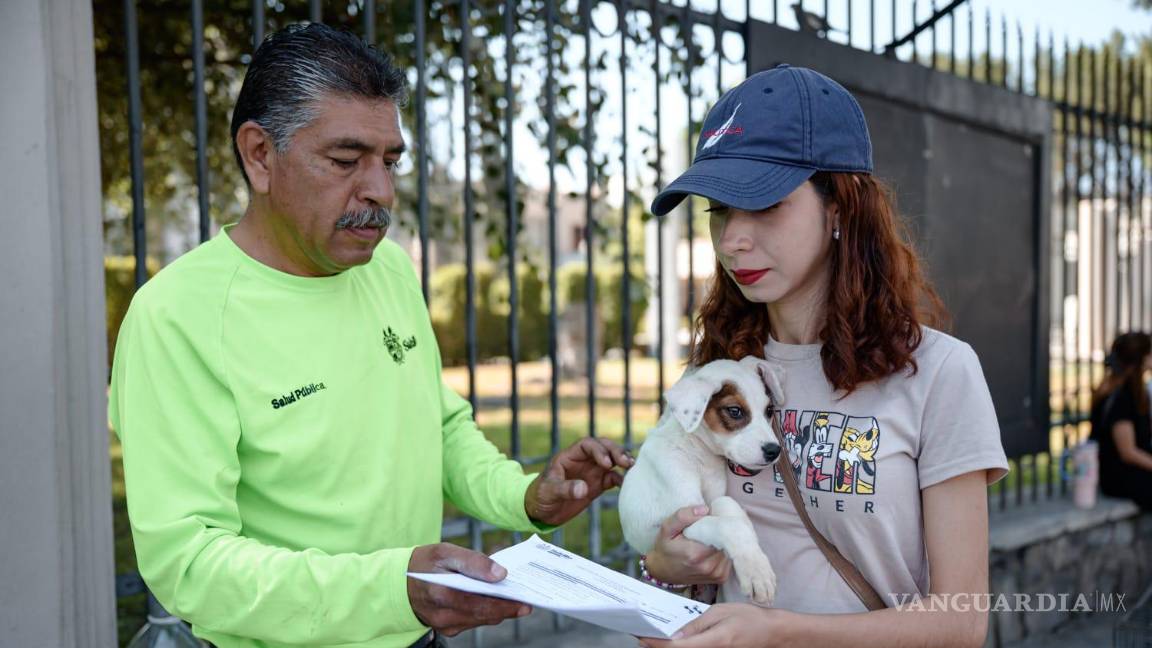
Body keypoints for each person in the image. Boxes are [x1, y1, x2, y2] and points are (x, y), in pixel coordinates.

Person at [109, 24, 632, 648]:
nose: (380, 192)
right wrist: (393, 589)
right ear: (259, 155)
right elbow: (191, 565)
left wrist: (524, 497)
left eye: (389, 161)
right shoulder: (176, 316)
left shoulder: (385, 267)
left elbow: (436, 428)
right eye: (345, 160)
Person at [635, 65, 1009, 647]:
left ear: (840, 208)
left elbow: (961, 622)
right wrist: (664, 571)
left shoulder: (938, 372)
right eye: (718, 210)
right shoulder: (716, 381)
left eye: (764, 204)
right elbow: (677, 595)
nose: (733, 238)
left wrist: (777, 632)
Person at [1089, 332, 1152, 510]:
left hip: (1134, 472)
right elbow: (1128, 452)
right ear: (1140, 360)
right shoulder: (1120, 397)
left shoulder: (1134, 392)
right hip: (1120, 476)